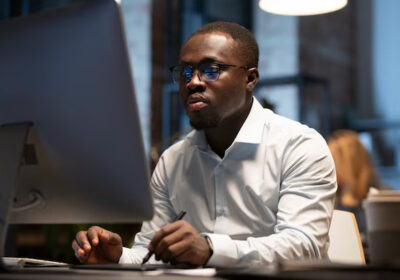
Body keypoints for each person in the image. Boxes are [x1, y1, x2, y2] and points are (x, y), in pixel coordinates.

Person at [72, 21, 337, 267]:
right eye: (186, 71)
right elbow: (149, 254)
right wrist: (117, 258)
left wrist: (211, 249)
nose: (193, 82)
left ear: (250, 78)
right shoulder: (173, 160)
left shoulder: (299, 146)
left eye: (211, 70)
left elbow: (305, 247)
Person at [328, 129, 379, 234]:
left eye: (334, 162)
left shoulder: (380, 200)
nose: (328, 169)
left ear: (350, 164)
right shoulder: (330, 201)